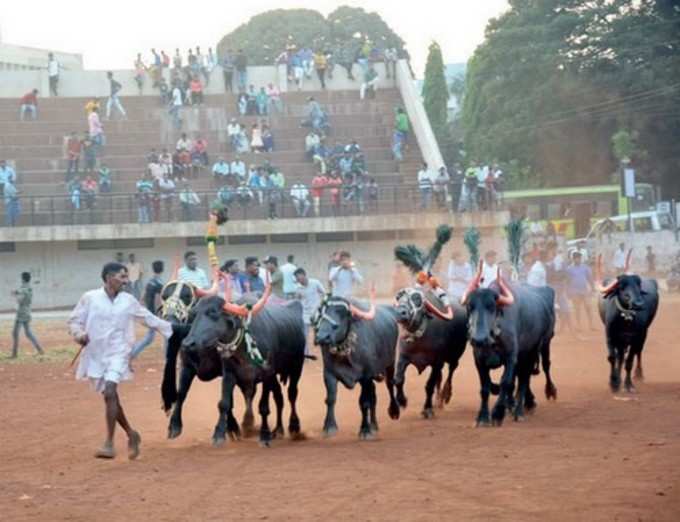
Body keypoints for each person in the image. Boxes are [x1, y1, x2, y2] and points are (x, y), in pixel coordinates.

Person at [68, 262, 173, 459]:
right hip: (96, 355)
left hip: (119, 353)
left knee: (109, 391)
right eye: (122, 277)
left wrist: (174, 331)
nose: (126, 281)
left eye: (126, 277)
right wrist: (79, 334)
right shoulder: (90, 298)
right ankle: (131, 434)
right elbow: (74, 321)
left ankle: (109, 443)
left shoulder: (128, 300)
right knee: (110, 397)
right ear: (108, 277)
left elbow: (148, 318)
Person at [130, 260, 165, 359]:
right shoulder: (159, 283)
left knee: (150, 337)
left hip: (148, 311)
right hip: (154, 313)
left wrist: (143, 306)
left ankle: (133, 353)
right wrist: (159, 314)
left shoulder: (150, 281)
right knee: (165, 334)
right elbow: (158, 299)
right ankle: (132, 354)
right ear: (162, 269)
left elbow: (143, 296)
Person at [10, 272, 44, 358]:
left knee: (15, 333)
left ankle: (14, 354)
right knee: (28, 333)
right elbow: (22, 292)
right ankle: (40, 349)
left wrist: (15, 295)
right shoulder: (29, 288)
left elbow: (20, 299)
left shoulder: (24, 288)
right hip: (28, 312)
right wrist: (17, 293)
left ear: (23, 279)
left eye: (21, 278)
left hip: (21, 313)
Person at [294, 268, 326, 355]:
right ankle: (306, 353)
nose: (298, 280)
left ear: (304, 275)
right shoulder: (298, 288)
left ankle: (324, 352)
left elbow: (324, 293)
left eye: (299, 277)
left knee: (321, 333)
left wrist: (321, 304)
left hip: (317, 313)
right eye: (297, 278)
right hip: (305, 314)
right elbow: (297, 300)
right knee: (305, 335)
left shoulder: (315, 283)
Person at [565, 251, 595, 333]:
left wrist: (593, 288)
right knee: (577, 309)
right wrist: (567, 291)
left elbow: (590, 278)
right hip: (574, 291)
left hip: (584, 291)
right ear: (573, 259)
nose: (578, 259)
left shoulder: (585, 267)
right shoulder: (569, 269)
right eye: (576, 258)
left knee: (588, 307)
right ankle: (578, 326)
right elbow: (567, 281)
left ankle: (591, 325)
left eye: (579, 258)